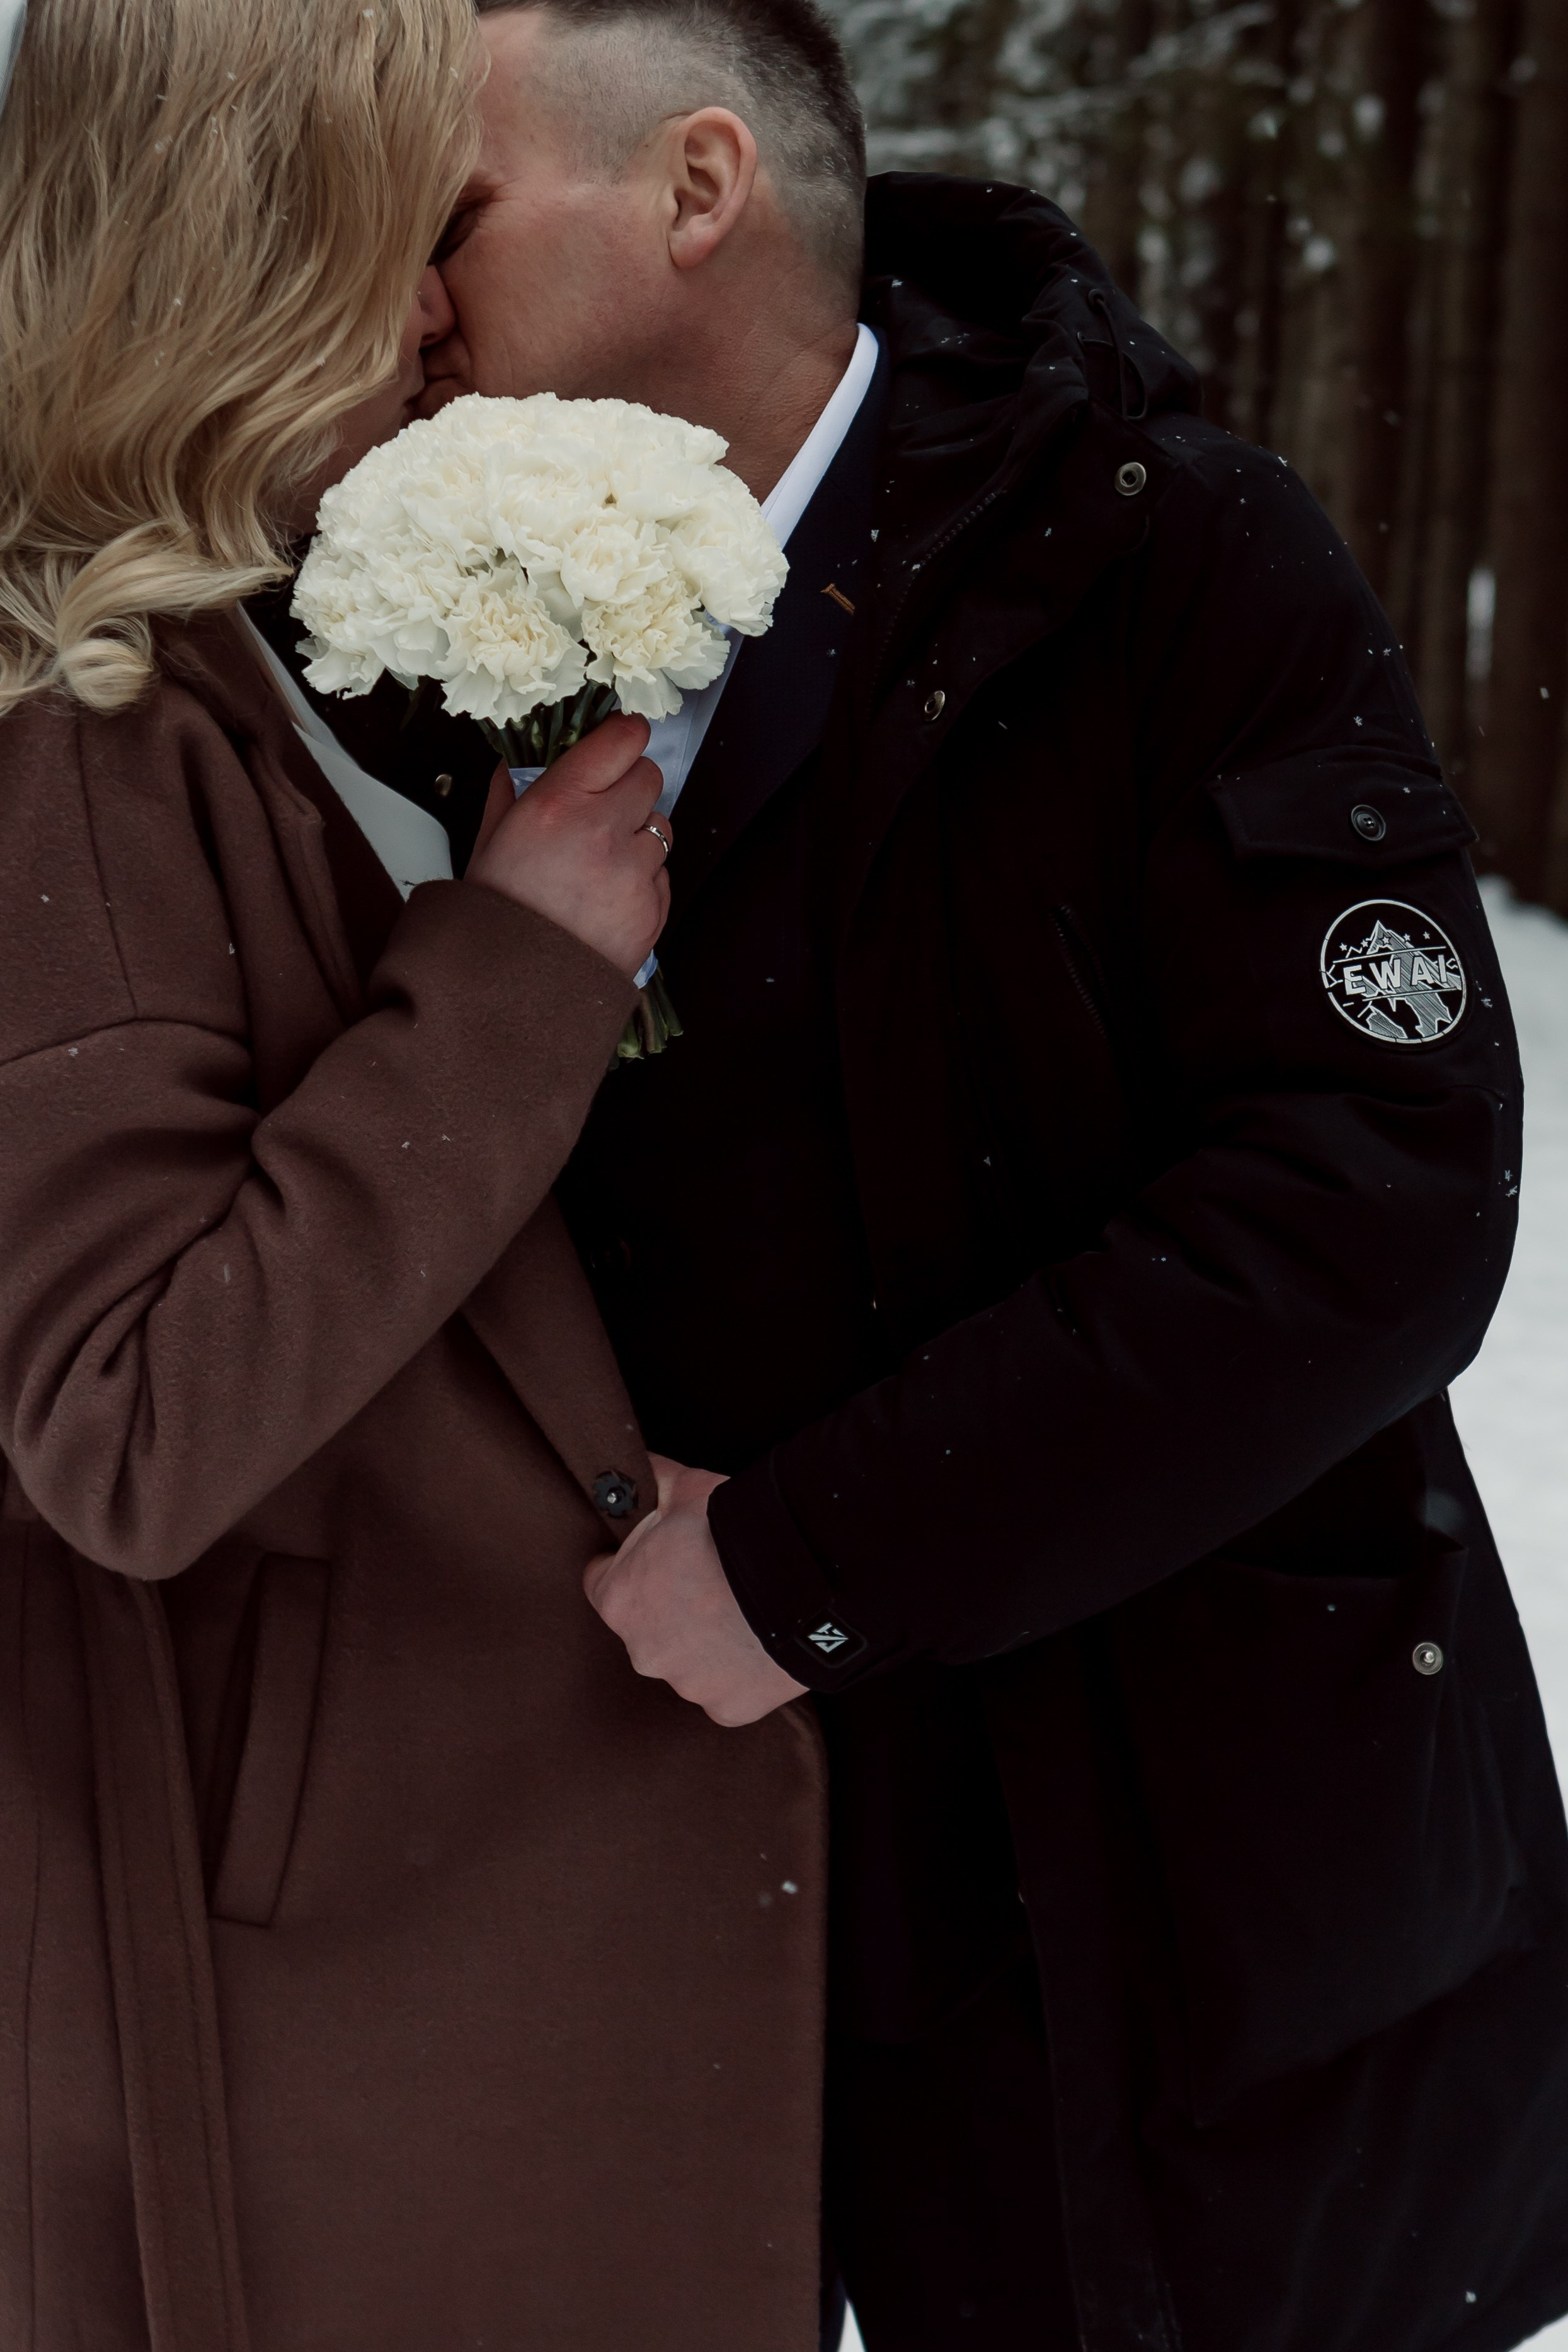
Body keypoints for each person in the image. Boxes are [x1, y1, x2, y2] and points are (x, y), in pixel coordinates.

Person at [357, 1, 1568, 2347]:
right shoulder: (414, 638)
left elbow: (1372, 1194)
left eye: (452, 218)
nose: (406, 299)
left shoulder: (1174, 550)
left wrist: (819, 1560)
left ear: (696, 189)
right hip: (693, 1916)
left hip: (1200, 1911)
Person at [0, 4, 827, 2348]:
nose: (448, 316)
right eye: (404, 237)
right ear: (245, 253)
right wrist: (515, 974)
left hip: (415, 1898)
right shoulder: (79, 725)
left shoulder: (234, 658)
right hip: (325, 1967)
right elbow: (130, 1423)